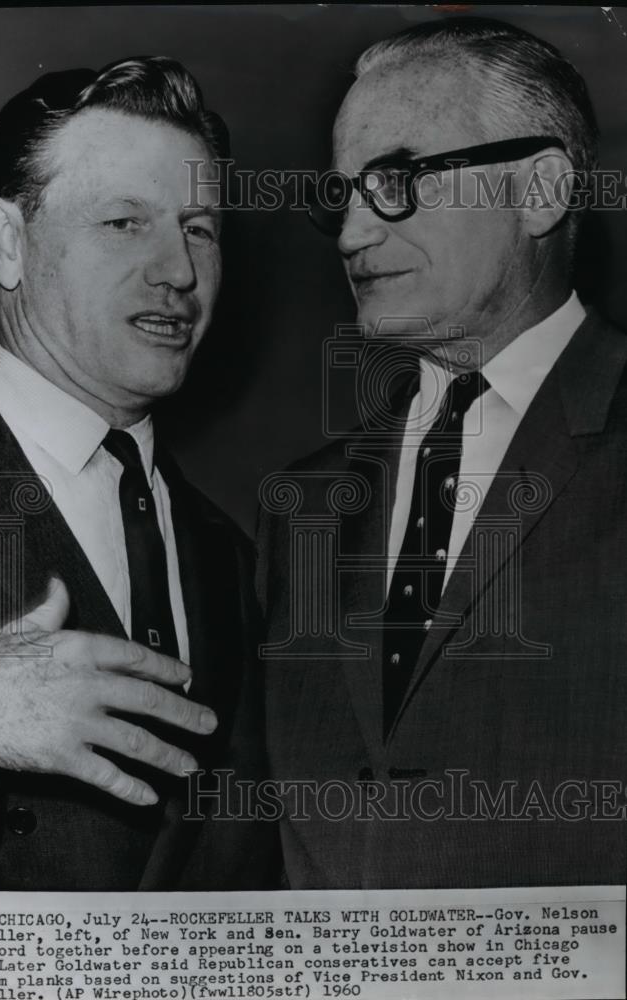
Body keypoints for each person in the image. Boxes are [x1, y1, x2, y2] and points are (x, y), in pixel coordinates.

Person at [258, 16, 627, 888]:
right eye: (342, 194)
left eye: (395, 179)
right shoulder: (301, 504)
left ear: (540, 190)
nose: (351, 234)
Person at [0, 56, 276, 890]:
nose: (179, 272)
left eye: (200, 227)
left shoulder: (231, 552)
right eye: (124, 222)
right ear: (9, 241)